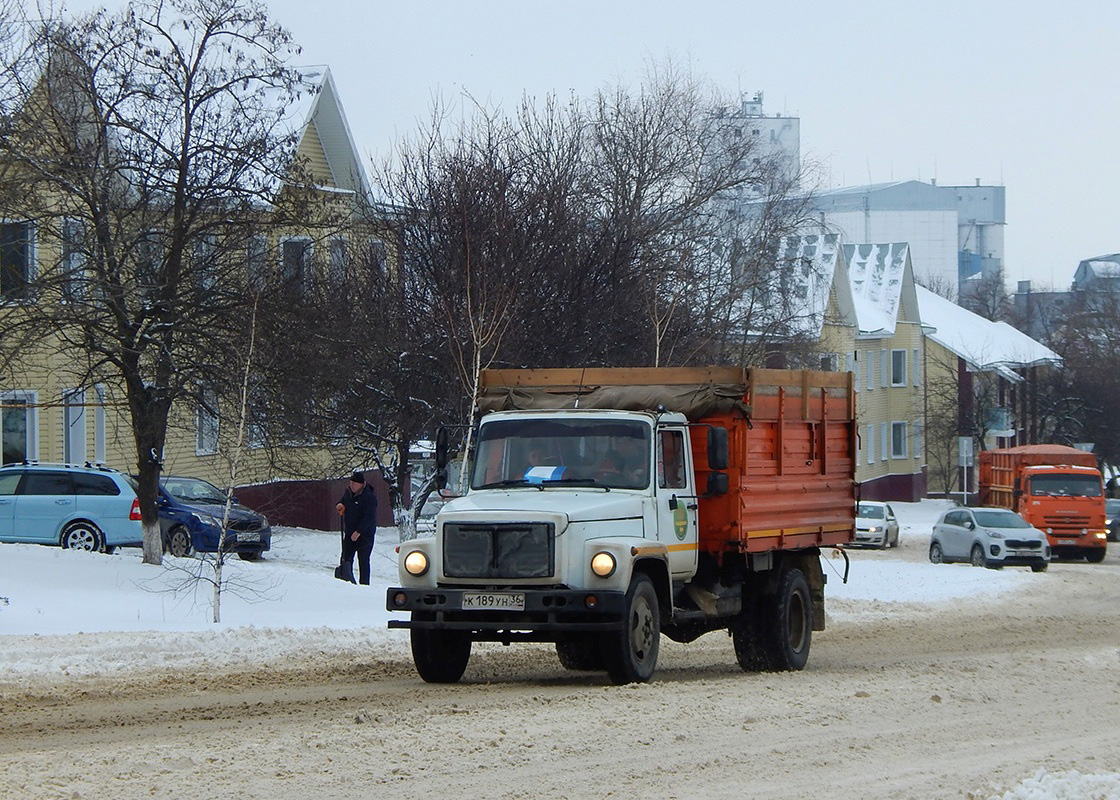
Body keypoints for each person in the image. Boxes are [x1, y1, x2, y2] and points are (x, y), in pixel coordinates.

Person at [335, 470, 378, 585]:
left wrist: (359, 531)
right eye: (351, 483)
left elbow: (369, 518)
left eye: (354, 483)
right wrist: (340, 505)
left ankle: (364, 585)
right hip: (349, 532)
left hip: (365, 535)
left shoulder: (369, 497)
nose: (352, 486)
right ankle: (345, 580)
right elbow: (343, 501)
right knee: (345, 557)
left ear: (361, 484)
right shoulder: (348, 493)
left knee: (363, 560)